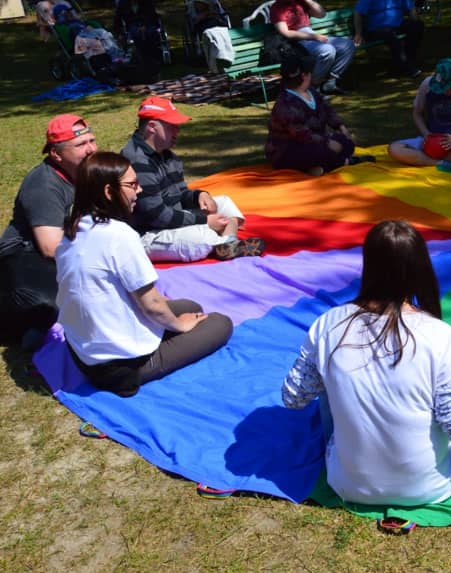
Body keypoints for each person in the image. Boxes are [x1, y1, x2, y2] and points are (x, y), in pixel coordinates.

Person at [281, 219, 451, 506]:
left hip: (348, 483)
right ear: (419, 268)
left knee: (330, 376)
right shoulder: (439, 335)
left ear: (368, 264)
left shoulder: (329, 325)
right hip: (429, 485)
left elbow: (293, 398)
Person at [56, 152, 233, 399]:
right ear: (109, 192)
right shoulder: (118, 234)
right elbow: (151, 304)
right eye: (132, 185)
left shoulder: (72, 229)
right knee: (219, 323)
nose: (139, 191)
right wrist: (180, 325)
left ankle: (166, 329)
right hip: (120, 367)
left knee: (190, 306)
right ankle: (146, 360)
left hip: (82, 350)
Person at [120, 96, 263, 262]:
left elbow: (181, 193)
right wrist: (204, 221)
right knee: (203, 235)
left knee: (224, 203)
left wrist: (200, 196)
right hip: (149, 233)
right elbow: (156, 216)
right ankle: (224, 242)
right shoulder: (136, 161)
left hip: (171, 217)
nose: (177, 131)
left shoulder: (167, 155)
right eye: (172, 126)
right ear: (152, 126)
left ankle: (227, 243)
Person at [0, 115, 97, 350]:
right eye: (81, 145)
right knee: (52, 304)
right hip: (22, 253)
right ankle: (28, 328)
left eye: (92, 141)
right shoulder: (44, 184)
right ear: (56, 154)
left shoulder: (86, 172)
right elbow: (49, 246)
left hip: (60, 249)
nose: (91, 149)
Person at [266, 54, 374, 175]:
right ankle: (344, 162)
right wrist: (327, 142)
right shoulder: (285, 103)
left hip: (317, 141)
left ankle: (316, 168)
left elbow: (327, 111)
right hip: (287, 150)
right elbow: (301, 134)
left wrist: (341, 127)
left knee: (346, 143)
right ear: (304, 75)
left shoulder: (311, 92)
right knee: (319, 152)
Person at [387, 58, 451, 173]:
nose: (442, 92)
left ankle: (425, 158)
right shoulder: (427, 85)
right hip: (430, 139)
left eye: (446, 88)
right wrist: (427, 135)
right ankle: (449, 164)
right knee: (394, 149)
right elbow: (417, 113)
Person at [273, 0, 356, 96]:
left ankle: (330, 82)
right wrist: (313, 36)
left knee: (348, 45)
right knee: (327, 51)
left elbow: (322, 14)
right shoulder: (277, 7)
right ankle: (312, 86)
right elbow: (286, 33)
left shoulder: (300, 2)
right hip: (298, 40)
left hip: (311, 35)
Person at [353, 0, 424, 78]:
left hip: (396, 24)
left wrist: (414, 21)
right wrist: (358, 33)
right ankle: (406, 67)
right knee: (391, 35)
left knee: (417, 26)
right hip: (376, 29)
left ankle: (408, 61)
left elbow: (410, 8)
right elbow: (358, 12)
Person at [114, 0, 163, 65]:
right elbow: (117, 19)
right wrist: (119, 33)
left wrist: (145, 25)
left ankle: (154, 56)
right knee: (136, 34)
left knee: (151, 33)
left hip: (148, 23)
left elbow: (152, 15)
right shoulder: (123, 3)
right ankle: (143, 57)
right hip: (132, 24)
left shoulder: (146, 0)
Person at [188, 0, 233, 74]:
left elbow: (220, 18)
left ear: (205, 3)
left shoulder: (212, 6)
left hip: (217, 28)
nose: (198, 5)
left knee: (216, 26)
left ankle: (222, 55)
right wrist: (206, 15)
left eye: (200, 3)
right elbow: (194, 21)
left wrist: (212, 14)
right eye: (197, 3)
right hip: (204, 29)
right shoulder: (193, 8)